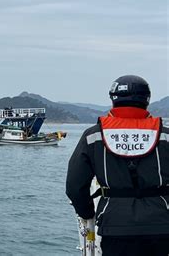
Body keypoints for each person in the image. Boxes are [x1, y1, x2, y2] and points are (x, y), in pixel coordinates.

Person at [66, 75, 169, 256]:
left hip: (114, 224)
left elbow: (75, 185)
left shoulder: (93, 136)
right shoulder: (165, 136)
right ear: (147, 99)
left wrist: (88, 212)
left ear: (113, 98)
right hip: (160, 223)